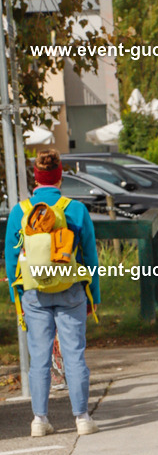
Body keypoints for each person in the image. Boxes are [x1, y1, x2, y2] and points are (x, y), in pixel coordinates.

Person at [4, 148, 100, 436]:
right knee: (74, 354)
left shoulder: (20, 211)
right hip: (71, 289)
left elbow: (11, 260)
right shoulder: (76, 209)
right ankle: (82, 418)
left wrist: (16, 297)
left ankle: (40, 420)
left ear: (36, 176)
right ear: (60, 176)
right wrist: (93, 296)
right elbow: (91, 258)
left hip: (33, 293)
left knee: (39, 357)